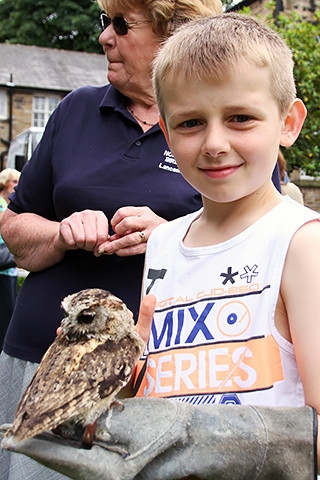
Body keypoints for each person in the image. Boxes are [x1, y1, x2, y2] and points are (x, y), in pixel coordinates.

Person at [1, 13, 319, 480]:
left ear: (288, 123)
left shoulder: (302, 243)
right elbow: (160, 386)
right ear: (165, 133)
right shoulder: (167, 240)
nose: (214, 143)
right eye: (190, 123)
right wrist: (104, 380)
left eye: (240, 118)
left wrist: (218, 441)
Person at [0, 1, 225, 479]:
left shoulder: (225, 122)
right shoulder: (77, 109)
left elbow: (260, 245)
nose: (105, 37)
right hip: (41, 361)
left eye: (122, 25)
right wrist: (60, 233)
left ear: (175, 34)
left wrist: (170, 236)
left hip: (166, 375)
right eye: (106, 22)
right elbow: (16, 228)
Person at [0, 168, 20, 351]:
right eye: (13, 181)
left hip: (10, 271)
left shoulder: (11, 205)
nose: (17, 185)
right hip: (3, 269)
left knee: (7, 317)